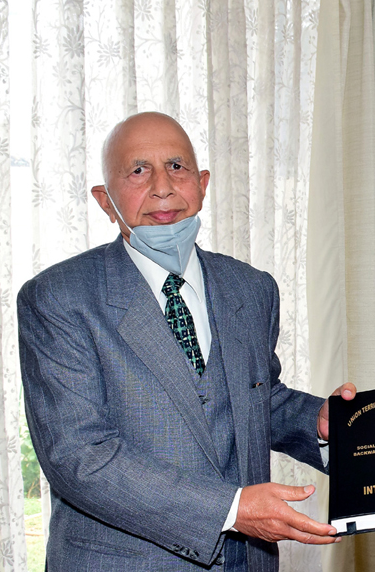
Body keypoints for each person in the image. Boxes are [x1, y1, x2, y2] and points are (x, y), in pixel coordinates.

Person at [18, 111, 354, 571]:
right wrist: (232, 510)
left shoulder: (251, 288)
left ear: (202, 183)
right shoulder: (58, 298)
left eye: (177, 166)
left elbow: (256, 398)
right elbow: (79, 457)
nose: (162, 186)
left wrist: (317, 421)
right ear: (104, 199)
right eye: (138, 170)